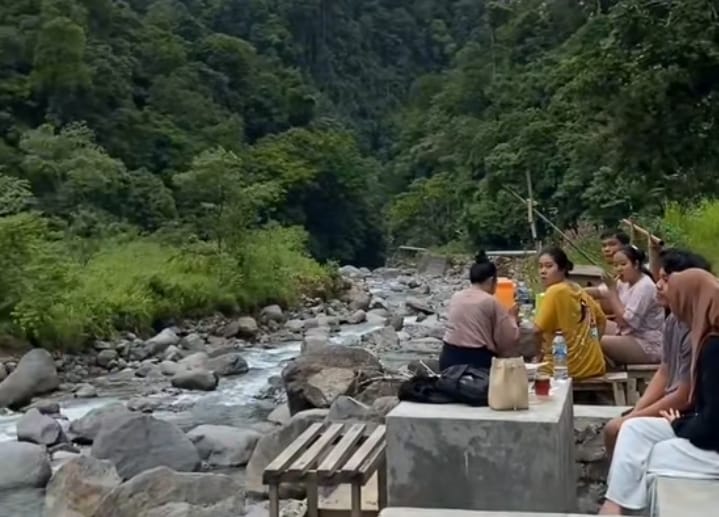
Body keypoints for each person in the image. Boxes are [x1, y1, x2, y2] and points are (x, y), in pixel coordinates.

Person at [599, 268, 719, 515]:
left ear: (690, 300)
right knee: (634, 429)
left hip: (712, 444)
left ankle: (618, 509)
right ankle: (615, 506)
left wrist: (680, 426)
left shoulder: (714, 349)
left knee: (655, 455)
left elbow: (712, 426)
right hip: (701, 429)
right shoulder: (702, 336)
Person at [603, 249, 712, 455]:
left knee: (619, 429)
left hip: (690, 416)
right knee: (618, 427)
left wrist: (634, 418)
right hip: (675, 406)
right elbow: (665, 371)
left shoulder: (701, 332)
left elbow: (684, 396)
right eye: (659, 278)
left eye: (665, 279)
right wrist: (638, 410)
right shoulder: (673, 320)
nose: (658, 285)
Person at [533, 246, 607, 380]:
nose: (543, 271)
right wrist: (591, 342)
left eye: (549, 266)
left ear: (562, 269)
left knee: (523, 370)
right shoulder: (577, 288)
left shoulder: (555, 291)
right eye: (540, 267)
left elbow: (536, 330)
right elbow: (601, 321)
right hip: (594, 364)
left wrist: (537, 355)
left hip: (567, 367)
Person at [440, 251, 521, 370]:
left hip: (448, 358)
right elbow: (507, 339)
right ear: (492, 280)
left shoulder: (456, 296)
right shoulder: (490, 301)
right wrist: (513, 319)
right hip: (476, 362)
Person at [600, 245, 664, 365]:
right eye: (615, 265)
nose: (619, 269)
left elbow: (627, 321)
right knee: (594, 325)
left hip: (647, 342)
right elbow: (600, 291)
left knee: (598, 340)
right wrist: (576, 291)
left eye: (623, 264)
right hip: (630, 333)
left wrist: (612, 291)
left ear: (636, 264)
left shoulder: (645, 286)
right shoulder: (624, 282)